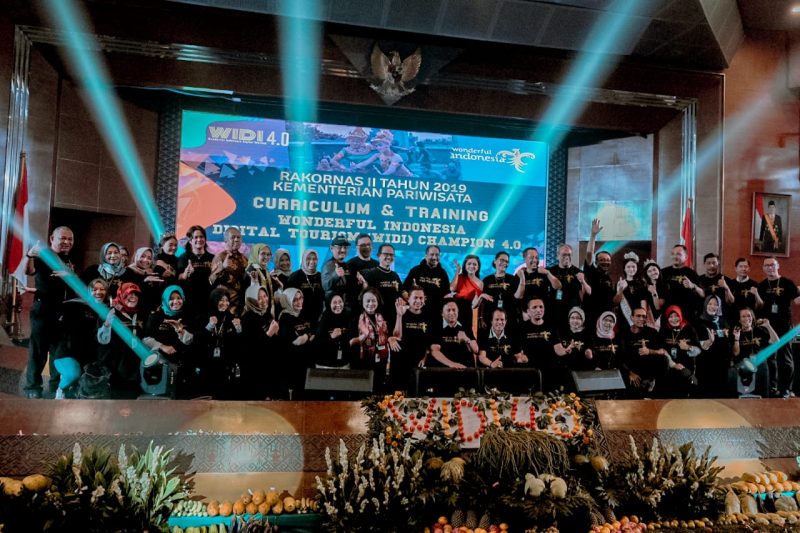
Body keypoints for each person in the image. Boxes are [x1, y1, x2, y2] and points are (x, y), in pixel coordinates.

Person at [23, 226, 77, 398]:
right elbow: (29, 271)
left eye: (70, 239)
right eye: (63, 238)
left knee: (58, 352)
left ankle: (55, 387)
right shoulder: (43, 255)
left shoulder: (68, 259)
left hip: (62, 312)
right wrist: (29, 256)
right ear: (52, 239)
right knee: (38, 351)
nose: (66, 242)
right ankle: (32, 388)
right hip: (43, 311)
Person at [51, 279, 109, 399]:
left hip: (89, 357)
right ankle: (60, 391)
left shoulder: (106, 311)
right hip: (68, 353)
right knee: (72, 374)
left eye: (102, 289)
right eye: (94, 289)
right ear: (88, 291)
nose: (98, 292)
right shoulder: (74, 306)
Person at [758, 257, 800, 397]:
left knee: (785, 358)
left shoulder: (787, 283)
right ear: (763, 268)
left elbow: (797, 301)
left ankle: (786, 389)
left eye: (772, 265)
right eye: (767, 265)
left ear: (778, 266)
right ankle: (772, 387)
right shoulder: (762, 285)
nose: (770, 267)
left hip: (784, 326)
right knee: (770, 358)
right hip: (767, 326)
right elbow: (759, 306)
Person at [143, 285, 195, 397]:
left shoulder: (189, 315)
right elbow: (146, 339)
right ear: (165, 300)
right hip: (162, 365)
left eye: (178, 298)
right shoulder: (156, 317)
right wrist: (163, 346)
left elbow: (191, 341)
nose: (176, 301)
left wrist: (180, 330)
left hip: (184, 365)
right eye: (171, 299)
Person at [97, 282, 145, 398]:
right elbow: (101, 340)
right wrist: (107, 324)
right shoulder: (110, 312)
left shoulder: (140, 313)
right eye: (129, 294)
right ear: (121, 295)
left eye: (136, 294)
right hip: (114, 367)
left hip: (133, 368)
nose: (133, 297)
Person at [198, 287, 243, 399]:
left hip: (225, 364)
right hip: (207, 363)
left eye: (227, 300)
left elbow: (238, 344)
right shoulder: (204, 317)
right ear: (214, 301)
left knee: (224, 396)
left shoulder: (232, 318)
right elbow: (198, 341)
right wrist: (209, 326)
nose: (225, 303)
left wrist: (238, 329)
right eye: (221, 300)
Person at [350, 287, 395, 392]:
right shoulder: (356, 318)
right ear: (362, 302)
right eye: (367, 301)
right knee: (362, 392)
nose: (371, 304)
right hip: (362, 361)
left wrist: (390, 338)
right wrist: (362, 337)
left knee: (379, 390)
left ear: (378, 301)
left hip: (381, 361)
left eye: (373, 300)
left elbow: (391, 335)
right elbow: (350, 342)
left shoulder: (383, 317)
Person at [240, 284, 281, 399]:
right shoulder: (247, 319)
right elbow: (252, 349)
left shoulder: (267, 314)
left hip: (269, 367)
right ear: (252, 300)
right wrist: (269, 333)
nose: (264, 300)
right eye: (259, 298)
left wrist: (276, 333)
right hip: (256, 371)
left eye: (265, 296)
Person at [518, 298, 568, 391]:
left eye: (541, 307)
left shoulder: (551, 326)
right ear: (528, 311)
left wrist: (566, 351)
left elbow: (558, 349)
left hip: (550, 372)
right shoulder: (522, 328)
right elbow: (519, 351)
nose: (538, 310)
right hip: (531, 371)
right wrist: (520, 357)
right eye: (534, 307)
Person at [621, 307, 670, 397]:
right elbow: (620, 358)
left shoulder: (652, 332)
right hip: (633, 372)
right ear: (632, 317)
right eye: (638, 316)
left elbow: (663, 351)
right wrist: (629, 373)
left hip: (649, 372)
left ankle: (652, 383)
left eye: (644, 316)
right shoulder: (624, 334)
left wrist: (649, 351)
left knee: (664, 360)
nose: (641, 319)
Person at [390, 286, 432, 392]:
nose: (418, 301)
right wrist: (399, 316)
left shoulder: (429, 317)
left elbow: (429, 344)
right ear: (408, 299)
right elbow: (397, 337)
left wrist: (425, 358)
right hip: (400, 363)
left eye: (421, 298)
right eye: (415, 298)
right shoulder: (401, 312)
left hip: (418, 365)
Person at [732, 307, 779, 397]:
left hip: (760, 366)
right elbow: (736, 353)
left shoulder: (759, 331)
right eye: (743, 316)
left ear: (752, 318)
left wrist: (768, 326)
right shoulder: (736, 332)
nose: (746, 318)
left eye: (749, 316)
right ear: (739, 320)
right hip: (743, 367)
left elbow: (776, 342)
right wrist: (737, 339)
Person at [278, 288, 314, 398]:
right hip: (292, 366)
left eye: (300, 298)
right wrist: (307, 336)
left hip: (305, 362)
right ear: (288, 301)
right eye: (295, 300)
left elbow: (314, 333)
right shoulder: (285, 317)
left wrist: (305, 337)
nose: (299, 302)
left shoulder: (303, 313)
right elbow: (296, 341)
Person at [659, 305, 701, 397]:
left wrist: (688, 347)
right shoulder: (663, 330)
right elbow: (661, 350)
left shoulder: (689, 329)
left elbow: (698, 350)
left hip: (686, 369)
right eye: (670, 317)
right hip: (669, 368)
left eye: (676, 316)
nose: (673, 319)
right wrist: (673, 365)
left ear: (680, 315)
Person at [359, 244, 402, 326]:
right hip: (377, 320)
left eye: (391, 255)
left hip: (393, 318)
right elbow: (365, 298)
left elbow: (401, 293)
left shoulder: (395, 275)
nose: (389, 257)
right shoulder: (371, 274)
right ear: (379, 255)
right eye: (386, 254)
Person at [548, 244, 591, 327]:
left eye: (569, 255)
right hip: (555, 311)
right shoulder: (550, 271)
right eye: (564, 254)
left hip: (573, 313)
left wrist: (583, 282)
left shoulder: (579, 272)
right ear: (557, 256)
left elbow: (589, 292)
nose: (567, 257)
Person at [177, 225, 215, 317]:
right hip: (189, 301)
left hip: (207, 301)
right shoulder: (184, 257)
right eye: (196, 237)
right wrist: (185, 274)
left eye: (201, 237)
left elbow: (215, 279)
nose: (199, 239)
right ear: (190, 241)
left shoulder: (213, 258)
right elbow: (178, 277)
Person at [429, 299, 478, 369]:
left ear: (458, 311)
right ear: (442, 313)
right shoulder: (437, 327)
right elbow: (435, 351)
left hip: (466, 369)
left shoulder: (465, 327)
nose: (451, 313)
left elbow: (476, 350)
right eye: (448, 310)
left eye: (454, 310)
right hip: (446, 370)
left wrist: (467, 339)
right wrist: (453, 364)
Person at [582, 219, 614, 324]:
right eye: (602, 260)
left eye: (608, 260)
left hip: (606, 318)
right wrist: (593, 236)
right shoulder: (592, 272)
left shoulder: (609, 279)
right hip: (591, 315)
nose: (605, 262)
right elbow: (589, 253)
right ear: (596, 262)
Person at [209, 227, 248, 312]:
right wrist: (222, 267)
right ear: (226, 240)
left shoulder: (244, 259)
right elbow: (211, 281)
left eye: (238, 237)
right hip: (225, 304)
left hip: (241, 304)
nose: (236, 240)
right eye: (233, 237)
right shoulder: (220, 257)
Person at [479, 251, 520, 332]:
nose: (504, 263)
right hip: (490, 318)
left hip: (509, 318)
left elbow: (518, 300)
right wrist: (481, 317)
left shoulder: (513, 279)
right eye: (502, 260)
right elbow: (483, 302)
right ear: (495, 261)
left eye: (506, 261)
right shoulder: (487, 280)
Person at [403, 245, 451, 313]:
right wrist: (412, 302)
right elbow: (404, 290)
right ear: (426, 256)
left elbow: (447, 294)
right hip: (417, 312)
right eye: (432, 254)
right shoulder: (416, 270)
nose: (434, 257)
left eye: (437, 255)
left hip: (435, 312)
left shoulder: (443, 273)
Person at [660, 244, 704, 318]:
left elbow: (702, 294)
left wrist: (693, 286)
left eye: (678, 254)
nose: (675, 256)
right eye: (673, 254)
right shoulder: (663, 272)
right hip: (668, 314)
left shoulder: (691, 273)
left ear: (686, 257)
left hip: (686, 314)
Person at [514, 247, 561, 311]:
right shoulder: (519, 275)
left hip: (542, 311)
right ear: (525, 259)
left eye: (536, 257)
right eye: (531, 258)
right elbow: (518, 296)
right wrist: (522, 278)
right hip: (526, 312)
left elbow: (558, 286)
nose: (535, 260)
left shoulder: (544, 272)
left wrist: (548, 273)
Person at [121, 247, 163, 314]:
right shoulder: (128, 271)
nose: (145, 260)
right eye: (142, 256)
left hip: (150, 313)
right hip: (133, 312)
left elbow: (156, 296)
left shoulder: (152, 273)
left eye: (149, 258)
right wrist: (144, 282)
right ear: (137, 256)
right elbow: (128, 293)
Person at [286, 249, 324, 322]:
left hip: (317, 319)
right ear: (303, 259)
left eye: (314, 259)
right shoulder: (295, 277)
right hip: (299, 319)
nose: (312, 262)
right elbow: (288, 300)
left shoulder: (321, 276)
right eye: (308, 259)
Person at [315, 294, 351, 369]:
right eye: (334, 302)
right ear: (329, 304)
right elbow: (317, 342)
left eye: (340, 301)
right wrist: (330, 337)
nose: (338, 305)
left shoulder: (347, 316)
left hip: (343, 363)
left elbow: (350, 334)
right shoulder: (324, 319)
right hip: (326, 365)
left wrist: (343, 332)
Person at [245, 243, 281, 317]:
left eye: (268, 254)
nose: (266, 257)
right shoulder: (251, 271)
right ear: (256, 254)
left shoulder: (265, 270)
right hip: (255, 314)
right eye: (263, 254)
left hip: (266, 311)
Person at [613, 252, 648, 326]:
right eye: (628, 267)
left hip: (638, 317)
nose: (631, 269)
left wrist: (642, 317)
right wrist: (620, 289)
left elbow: (643, 303)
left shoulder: (642, 283)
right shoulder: (619, 283)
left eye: (633, 267)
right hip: (624, 317)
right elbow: (615, 302)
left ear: (637, 268)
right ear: (624, 269)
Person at [450, 254, 483, 333]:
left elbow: (476, 304)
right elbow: (452, 288)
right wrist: (457, 271)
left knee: (466, 333)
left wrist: (481, 297)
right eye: (469, 264)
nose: (472, 266)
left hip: (467, 311)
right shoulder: (459, 277)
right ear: (465, 266)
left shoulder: (480, 283)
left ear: (478, 267)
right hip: (454, 309)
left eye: (474, 264)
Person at [728, 257, 763, 322]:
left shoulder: (755, 284)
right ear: (735, 269)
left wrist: (756, 294)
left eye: (746, 266)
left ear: (749, 269)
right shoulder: (730, 284)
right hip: (733, 317)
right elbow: (728, 302)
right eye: (741, 266)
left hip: (749, 319)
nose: (743, 269)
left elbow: (760, 305)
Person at [321, 234, 352, 307]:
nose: (343, 250)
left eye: (345, 247)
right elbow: (325, 286)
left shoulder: (346, 265)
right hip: (333, 307)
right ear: (331, 248)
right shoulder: (328, 265)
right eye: (340, 247)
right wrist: (335, 275)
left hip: (344, 306)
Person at [559, 306, 593, 372]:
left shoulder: (587, 334)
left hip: (581, 370)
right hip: (564, 369)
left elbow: (590, 353)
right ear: (569, 320)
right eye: (572, 318)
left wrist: (588, 353)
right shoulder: (562, 333)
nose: (575, 321)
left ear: (582, 321)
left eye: (578, 318)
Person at [642, 259, 666, 327]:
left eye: (654, 269)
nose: (653, 272)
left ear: (658, 270)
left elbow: (658, 307)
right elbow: (643, 306)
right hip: (649, 320)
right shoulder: (644, 288)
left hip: (662, 318)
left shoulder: (665, 286)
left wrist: (654, 293)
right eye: (649, 271)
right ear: (646, 274)